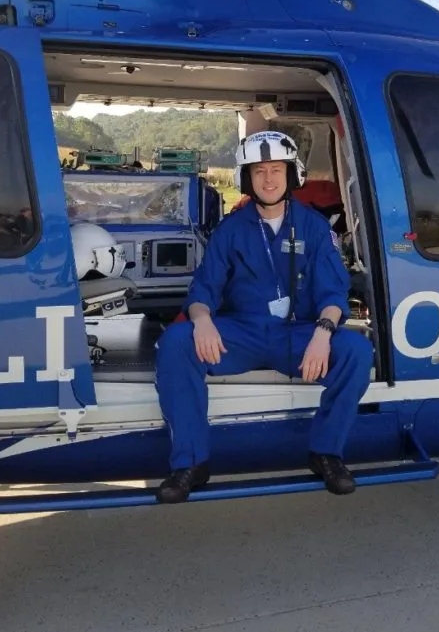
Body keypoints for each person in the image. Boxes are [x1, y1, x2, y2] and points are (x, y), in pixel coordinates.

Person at [154, 130, 373, 503]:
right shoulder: (230, 230)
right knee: (176, 342)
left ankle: (326, 453)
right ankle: (191, 463)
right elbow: (202, 291)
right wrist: (202, 321)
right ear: (246, 178)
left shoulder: (314, 227)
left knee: (355, 350)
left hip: (300, 335)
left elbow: (334, 294)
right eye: (258, 171)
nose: (268, 179)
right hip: (243, 332)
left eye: (276, 170)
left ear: (292, 175)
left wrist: (323, 333)